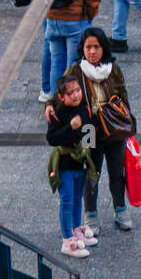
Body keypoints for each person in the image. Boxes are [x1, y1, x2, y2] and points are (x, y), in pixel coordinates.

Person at [47, 27, 133, 234]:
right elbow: (60, 92)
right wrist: (49, 105)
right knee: (90, 171)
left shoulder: (113, 69)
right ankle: (91, 215)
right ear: (82, 49)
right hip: (88, 129)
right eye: (88, 47)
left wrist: (127, 121)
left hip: (113, 127)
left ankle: (120, 209)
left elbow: (123, 96)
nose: (92, 51)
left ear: (104, 48)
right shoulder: (76, 70)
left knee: (116, 171)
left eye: (96, 47)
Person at [46, 74, 99, 259]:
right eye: (70, 93)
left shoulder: (84, 108)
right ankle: (67, 239)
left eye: (77, 91)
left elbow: (89, 130)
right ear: (61, 97)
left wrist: (89, 153)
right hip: (65, 164)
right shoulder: (57, 113)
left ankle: (77, 229)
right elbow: (52, 138)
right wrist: (70, 127)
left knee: (78, 197)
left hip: (80, 162)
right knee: (67, 200)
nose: (76, 95)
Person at [44, 0, 102, 94]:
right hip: (75, 19)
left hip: (52, 16)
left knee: (56, 62)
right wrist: (90, 13)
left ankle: (55, 100)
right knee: (73, 66)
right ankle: (70, 106)